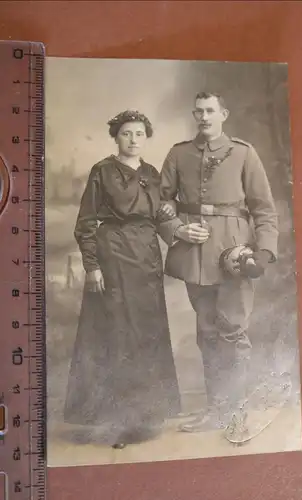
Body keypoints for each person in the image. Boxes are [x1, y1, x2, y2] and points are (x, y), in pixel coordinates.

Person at [158, 92, 278, 432]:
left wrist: (264, 253)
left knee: (233, 331)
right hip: (195, 255)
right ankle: (215, 410)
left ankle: (237, 411)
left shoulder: (243, 153)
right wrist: (178, 229)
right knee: (207, 332)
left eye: (211, 111)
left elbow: (264, 209)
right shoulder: (178, 154)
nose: (204, 117)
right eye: (199, 111)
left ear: (223, 114)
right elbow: (161, 202)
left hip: (234, 254)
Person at [63, 110, 181, 448]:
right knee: (117, 335)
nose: (133, 139)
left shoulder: (151, 173)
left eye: (139, 133)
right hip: (113, 256)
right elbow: (85, 222)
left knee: (147, 333)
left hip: (146, 258)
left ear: (146, 137)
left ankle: (145, 417)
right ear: (116, 137)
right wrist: (92, 266)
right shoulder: (102, 171)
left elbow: (160, 217)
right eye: (127, 133)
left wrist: (177, 222)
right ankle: (116, 422)